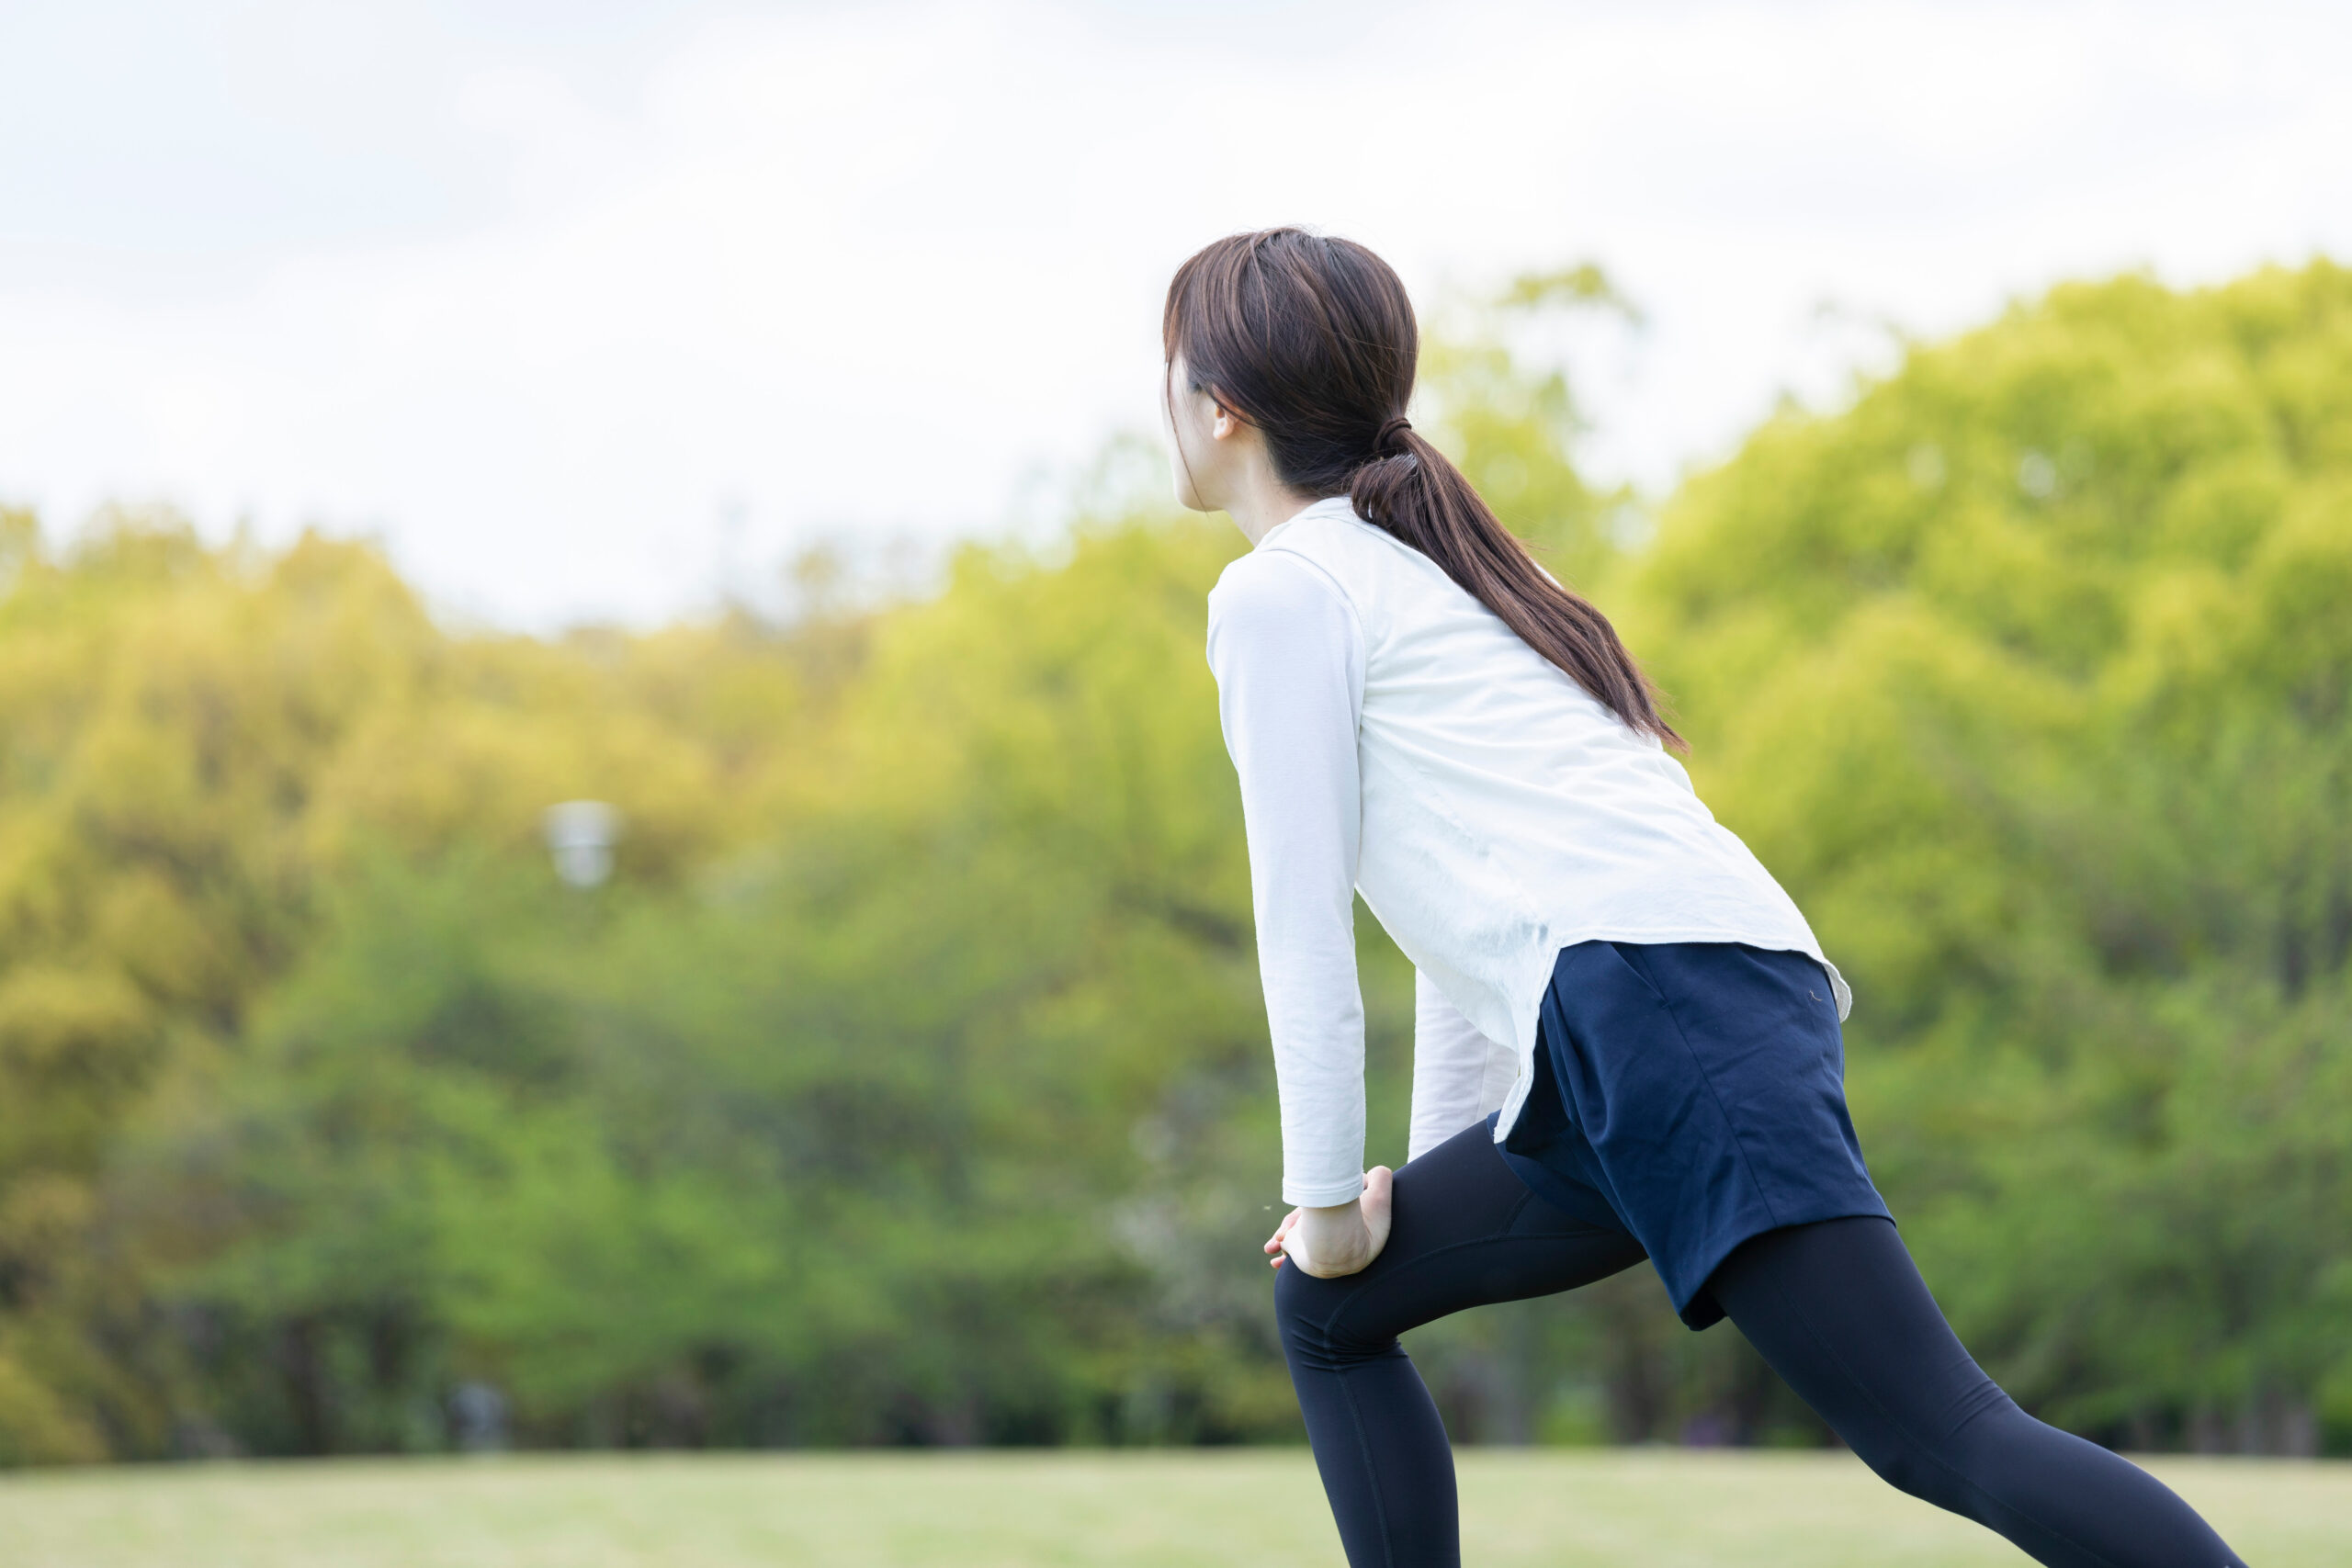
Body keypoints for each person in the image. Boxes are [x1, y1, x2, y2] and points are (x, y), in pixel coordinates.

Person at [1165, 227, 2245, 1568]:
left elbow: (1301, 926)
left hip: (1659, 1013)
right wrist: (1427, 1163)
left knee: (1940, 1430)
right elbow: (1479, 913)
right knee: (1328, 1314)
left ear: (1220, 406)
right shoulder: (1454, 570)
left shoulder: (1287, 595)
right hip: (1672, 1009)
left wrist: (1327, 1198)